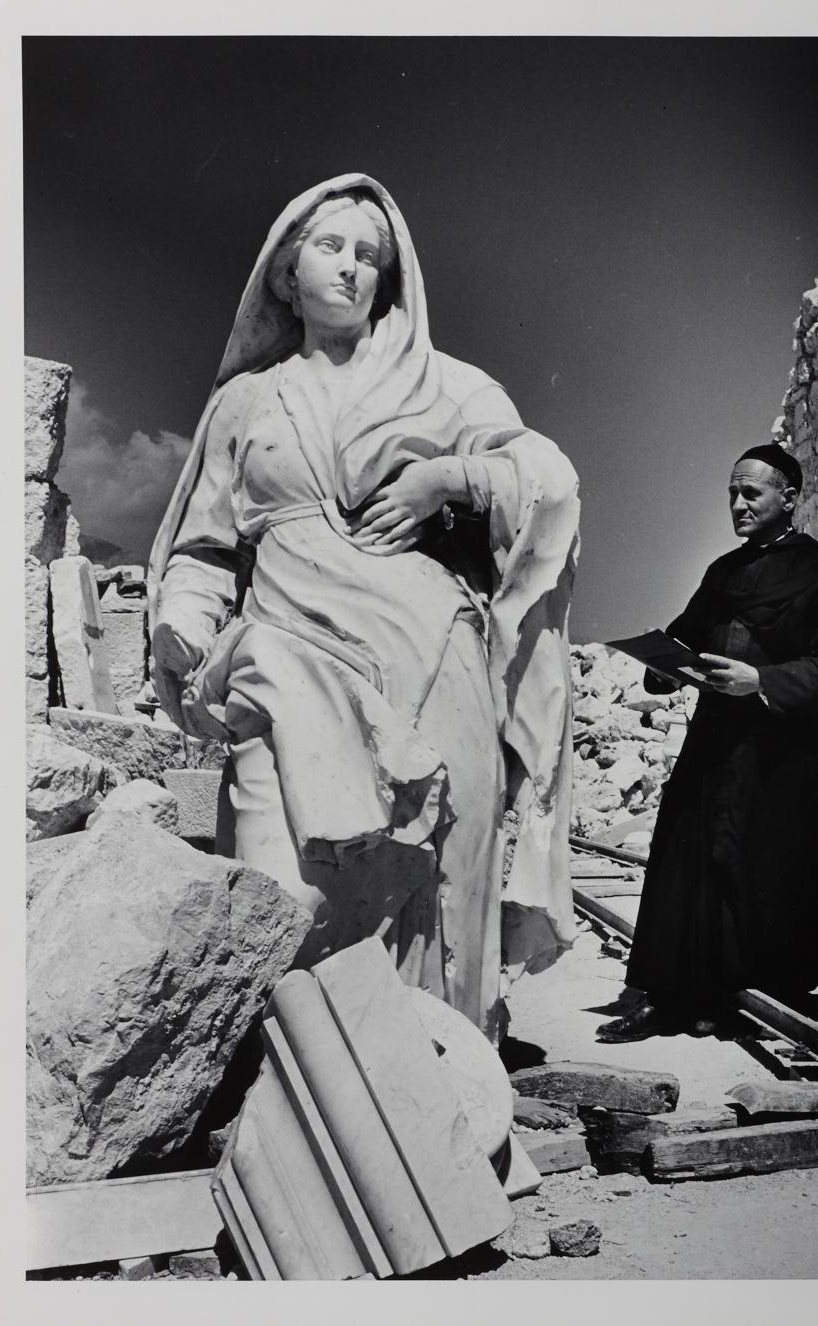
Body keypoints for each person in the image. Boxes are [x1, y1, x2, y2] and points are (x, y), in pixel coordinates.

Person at [148, 175, 580, 1043]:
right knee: (290, 888)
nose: (352, 269)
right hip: (285, 657)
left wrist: (447, 479)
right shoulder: (245, 403)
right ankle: (307, 1104)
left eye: (371, 256)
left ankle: (445, 1101)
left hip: (431, 660)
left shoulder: (450, 388)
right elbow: (201, 549)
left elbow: (551, 481)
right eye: (331, 247)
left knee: (440, 881)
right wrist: (182, 625)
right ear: (284, 273)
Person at [598, 444, 818, 1042]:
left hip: (786, 761)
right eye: (731, 493)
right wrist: (662, 668)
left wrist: (764, 680)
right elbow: (687, 635)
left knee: (764, 875)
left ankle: (740, 996)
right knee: (688, 864)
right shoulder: (724, 574)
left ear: (788, 497)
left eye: (750, 493)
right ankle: (674, 992)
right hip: (717, 750)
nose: (737, 504)